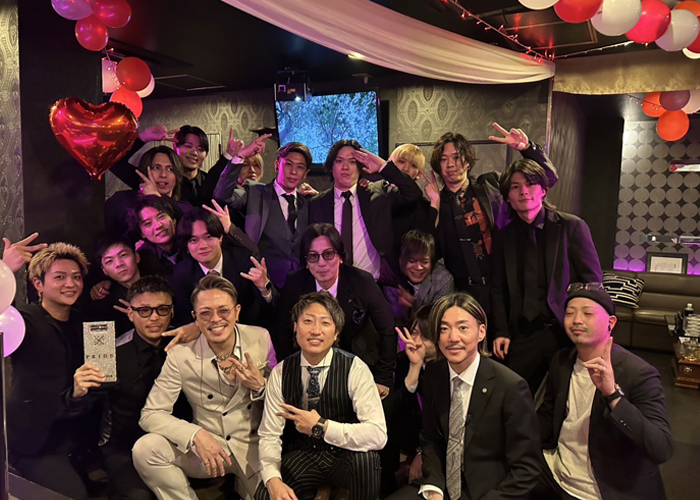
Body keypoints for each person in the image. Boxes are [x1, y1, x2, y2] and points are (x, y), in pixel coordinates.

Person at [132, 275, 276, 500]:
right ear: (195, 318)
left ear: (237, 312)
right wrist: (195, 434)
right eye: (206, 313)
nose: (215, 319)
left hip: (254, 448)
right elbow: (150, 414)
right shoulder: (181, 354)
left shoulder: (260, 337)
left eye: (223, 311)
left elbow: (280, 402)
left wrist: (261, 387)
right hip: (210, 449)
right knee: (146, 449)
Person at [386, 293, 541, 500]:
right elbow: (430, 438)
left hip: (488, 491)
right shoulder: (434, 373)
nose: (453, 338)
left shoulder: (510, 386)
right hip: (441, 483)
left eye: (463, 328)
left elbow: (527, 468)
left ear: (481, 332)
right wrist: (434, 488)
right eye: (444, 329)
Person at [536, 284, 673, 500]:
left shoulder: (638, 373)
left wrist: (613, 394)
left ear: (611, 322)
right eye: (570, 313)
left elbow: (661, 449)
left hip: (606, 488)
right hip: (556, 473)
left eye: (588, 313)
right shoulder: (561, 361)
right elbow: (546, 417)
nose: (577, 320)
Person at [255, 292, 387, 500]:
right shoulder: (281, 372)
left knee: (366, 460)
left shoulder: (355, 368)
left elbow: (378, 434)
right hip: (304, 455)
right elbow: (270, 434)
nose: (315, 330)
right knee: (265, 493)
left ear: (336, 333)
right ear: (295, 327)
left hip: (345, 454)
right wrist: (272, 480)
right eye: (308, 321)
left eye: (325, 323)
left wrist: (322, 427)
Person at [491, 158, 603, 394]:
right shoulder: (503, 236)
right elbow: (497, 287)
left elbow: (593, 284)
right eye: (515, 187)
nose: (524, 191)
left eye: (530, 184)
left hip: (564, 331)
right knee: (515, 394)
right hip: (523, 332)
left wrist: (591, 329)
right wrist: (501, 331)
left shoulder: (571, 226)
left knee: (565, 395)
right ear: (508, 197)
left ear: (543, 190)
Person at [69, 276, 181, 500]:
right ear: (130, 313)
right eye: (144, 311)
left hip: (175, 442)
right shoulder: (112, 354)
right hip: (123, 447)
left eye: (162, 309)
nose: (154, 317)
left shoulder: (185, 345)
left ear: (172, 311)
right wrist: (76, 393)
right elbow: (87, 411)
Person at [429, 123, 557, 308]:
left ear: (468, 161)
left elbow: (548, 178)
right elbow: (433, 252)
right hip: (463, 293)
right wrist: (434, 207)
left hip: (505, 285)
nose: (450, 164)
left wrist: (527, 149)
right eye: (443, 159)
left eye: (456, 157)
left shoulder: (491, 184)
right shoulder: (438, 203)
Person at [7, 243, 91, 499]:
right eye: (60, 277)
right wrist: (5, 270)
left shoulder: (81, 322)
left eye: (76, 277)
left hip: (74, 436)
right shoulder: (24, 320)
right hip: (34, 442)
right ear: (38, 284)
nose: (71, 284)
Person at [276, 223, 396, 396]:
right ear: (306, 262)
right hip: (309, 364)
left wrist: (383, 379)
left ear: (340, 257)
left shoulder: (362, 282)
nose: (321, 263)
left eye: (328, 254)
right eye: (313, 256)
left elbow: (387, 330)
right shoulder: (295, 283)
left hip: (358, 359)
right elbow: (282, 332)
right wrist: (286, 373)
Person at [308, 139, 423, 285]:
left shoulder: (378, 192)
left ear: (360, 167)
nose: (345, 167)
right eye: (339, 161)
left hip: (372, 283)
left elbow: (412, 194)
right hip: (330, 283)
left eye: (352, 162)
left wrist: (383, 167)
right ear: (331, 166)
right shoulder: (317, 203)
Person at [214, 142, 314, 289]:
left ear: (305, 173)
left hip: (301, 288)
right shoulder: (255, 192)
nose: (293, 172)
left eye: (300, 167)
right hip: (262, 286)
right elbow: (222, 195)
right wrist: (239, 157)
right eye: (288, 164)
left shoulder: (309, 202)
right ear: (277, 165)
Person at [171, 207, 274, 328]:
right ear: (187, 246)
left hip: (247, 329)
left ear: (220, 237)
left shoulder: (245, 261)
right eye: (194, 240)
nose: (202, 245)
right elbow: (185, 318)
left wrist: (264, 288)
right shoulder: (182, 273)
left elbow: (270, 310)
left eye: (208, 237)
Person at [104, 145, 191, 239]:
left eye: (170, 169)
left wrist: (157, 199)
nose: (163, 174)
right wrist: (140, 140)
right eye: (156, 168)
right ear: (145, 171)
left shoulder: (185, 209)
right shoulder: (121, 201)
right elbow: (111, 160)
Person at [84, 237, 143, 337]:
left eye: (123, 255)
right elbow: (100, 344)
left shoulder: (162, 284)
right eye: (109, 261)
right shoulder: (103, 302)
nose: (119, 264)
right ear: (104, 270)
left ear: (136, 257)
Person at [396, 230, 454, 326]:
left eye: (424, 262)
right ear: (401, 260)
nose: (419, 267)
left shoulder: (443, 280)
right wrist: (401, 310)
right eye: (412, 261)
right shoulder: (392, 276)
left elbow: (438, 321)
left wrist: (413, 306)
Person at [126, 195, 182, 278]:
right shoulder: (144, 260)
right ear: (141, 233)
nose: (158, 225)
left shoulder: (193, 239)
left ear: (173, 219)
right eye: (148, 223)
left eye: (161, 217)